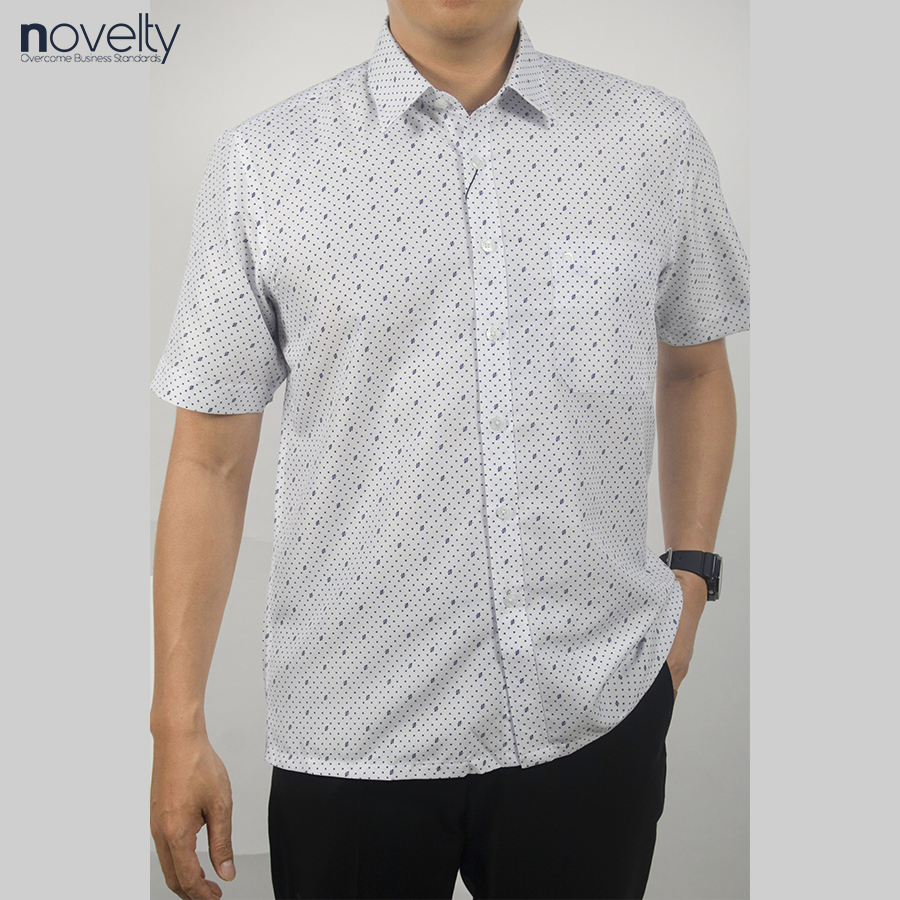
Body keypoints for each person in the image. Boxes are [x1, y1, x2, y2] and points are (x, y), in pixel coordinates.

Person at [149, 1, 749, 898]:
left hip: (595, 702)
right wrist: (177, 726)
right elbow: (209, 457)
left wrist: (692, 576)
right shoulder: (266, 160)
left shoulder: (649, 138)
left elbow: (697, 367)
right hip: (352, 722)